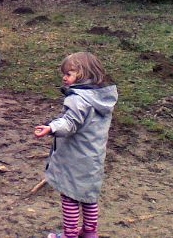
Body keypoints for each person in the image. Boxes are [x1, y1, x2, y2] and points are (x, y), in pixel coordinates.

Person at [34, 52, 118, 238]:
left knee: (69, 196)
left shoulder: (78, 99)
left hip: (74, 160)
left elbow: (70, 123)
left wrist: (51, 127)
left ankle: (69, 234)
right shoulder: (102, 98)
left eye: (69, 73)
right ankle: (90, 232)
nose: (64, 77)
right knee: (89, 197)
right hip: (93, 157)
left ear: (85, 75)